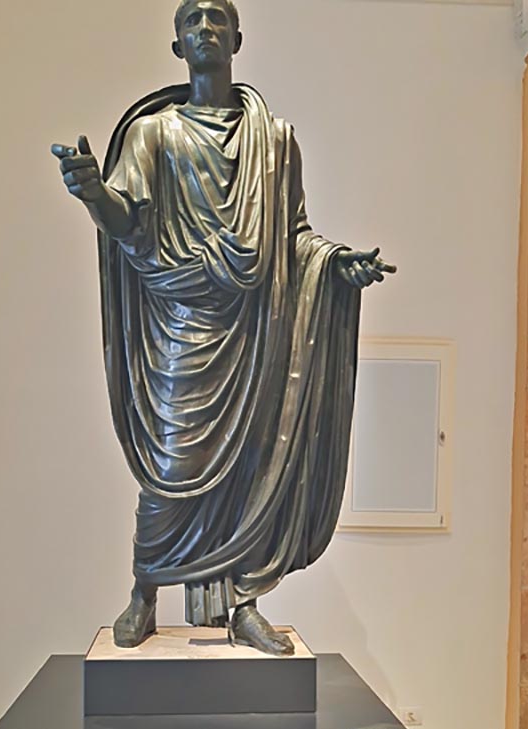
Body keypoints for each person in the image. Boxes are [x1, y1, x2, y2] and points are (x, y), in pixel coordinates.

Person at [52, 0, 396, 655]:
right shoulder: (155, 134)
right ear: (177, 45)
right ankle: (144, 593)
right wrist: (94, 192)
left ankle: (242, 603)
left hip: (257, 329)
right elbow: (130, 223)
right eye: (192, 22)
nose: (205, 29)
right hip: (185, 324)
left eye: (217, 19)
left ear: (237, 38)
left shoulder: (276, 140)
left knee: (250, 467)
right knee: (172, 469)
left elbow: (292, 238)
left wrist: (335, 263)